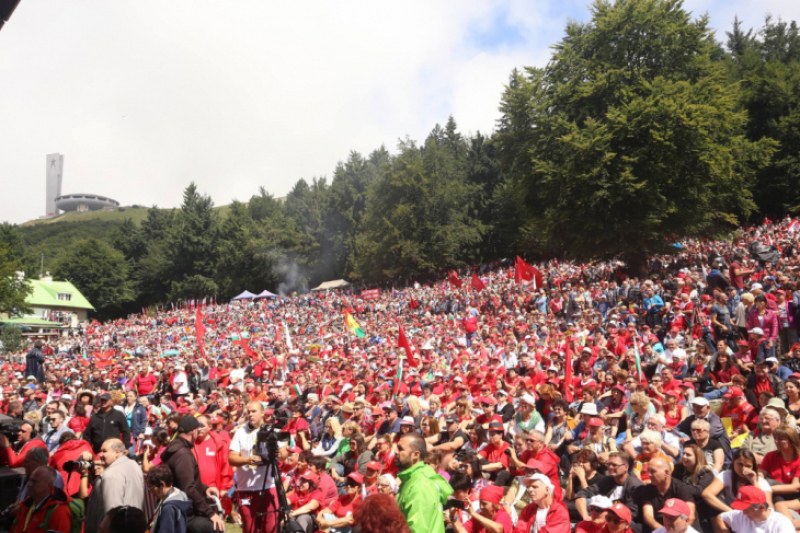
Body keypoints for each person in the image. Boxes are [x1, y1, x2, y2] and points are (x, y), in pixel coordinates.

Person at [162, 415, 226, 533]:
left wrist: (205, 488)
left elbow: (184, 481)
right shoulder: (183, 454)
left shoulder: (175, 448)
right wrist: (210, 513)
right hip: (184, 511)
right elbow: (188, 488)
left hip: (177, 508)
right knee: (217, 528)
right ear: (193, 431)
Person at [228, 401, 279, 533]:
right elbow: (231, 458)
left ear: (262, 413)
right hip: (245, 488)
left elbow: (284, 453)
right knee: (250, 528)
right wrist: (247, 460)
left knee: (270, 528)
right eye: (248, 412)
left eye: (254, 411)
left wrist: (276, 452)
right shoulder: (240, 432)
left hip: (268, 487)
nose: (250, 414)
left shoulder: (271, 431)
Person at [395, 432, 453, 533]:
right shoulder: (412, 478)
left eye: (400, 449)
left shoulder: (421, 484)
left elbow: (417, 529)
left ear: (416, 455)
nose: (396, 452)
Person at [84, 438, 145, 533]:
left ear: (117, 452)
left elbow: (111, 513)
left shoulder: (111, 474)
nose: (101, 455)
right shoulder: (134, 465)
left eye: (104, 451)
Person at [575, 451, 643, 522]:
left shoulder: (634, 486)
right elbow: (582, 493)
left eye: (614, 465)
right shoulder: (607, 480)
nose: (610, 467)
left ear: (626, 467)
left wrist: (605, 519)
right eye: (608, 464)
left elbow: (630, 515)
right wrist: (585, 516)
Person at [634, 457, 696, 533]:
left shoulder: (681, 488)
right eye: (648, 471)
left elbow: (690, 516)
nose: (649, 474)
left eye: (653, 471)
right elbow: (648, 516)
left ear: (666, 473)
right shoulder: (647, 490)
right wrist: (664, 530)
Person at [9, 465, 71, 533]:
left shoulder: (59, 512)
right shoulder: (26, 505)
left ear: (49, 485)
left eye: (35, 482)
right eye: (30, 480)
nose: (29, 484)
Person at [716, 486, 794, 532]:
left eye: (746, 509)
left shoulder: (781, 524)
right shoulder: (741, 515)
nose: (743, 512)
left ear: (761, 507)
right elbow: (720, 518)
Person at [146, 464, 193, 533]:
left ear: (162, 485)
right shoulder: (180, 494)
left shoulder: (169, 508)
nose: (151, 492)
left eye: (152, 488)